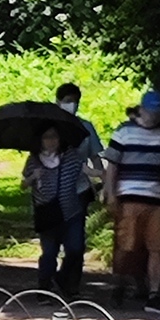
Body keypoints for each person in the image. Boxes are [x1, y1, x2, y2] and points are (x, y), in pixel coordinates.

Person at [106, 88, 160, 316]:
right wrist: (111, 194)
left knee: (157, 247)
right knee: (126, 245)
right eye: (151, 112)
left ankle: (154, 295)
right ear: (141, 109)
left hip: (158, 198)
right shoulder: (124, 132)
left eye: (158, 113)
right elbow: (112, 165)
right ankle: (118, 285)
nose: (154, 117)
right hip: (129, 196)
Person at [21, 118, 97, 288]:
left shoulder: (70, 156)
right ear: (40, 140)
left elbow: (85, 170)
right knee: (49, 253)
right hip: (47, 213)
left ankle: (63, 278)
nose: (51, 141)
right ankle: (44, 286)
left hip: (71, 211)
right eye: (46, 137)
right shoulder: (34, 160)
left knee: (75, 249)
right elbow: (23, 184)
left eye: (54, 137)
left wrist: (103, 175)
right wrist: (34, 176)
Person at [47, 81, 107, 282]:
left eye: (74, 101)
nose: (71, 105)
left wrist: (104, 180)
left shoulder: (85, 127)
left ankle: (69, 282)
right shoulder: (48, 128)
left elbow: (96, 156)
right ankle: (45, 286)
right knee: (51, 243)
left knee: (76, 244)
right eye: (67, 101)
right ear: (57, 102)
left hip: (78, 191)